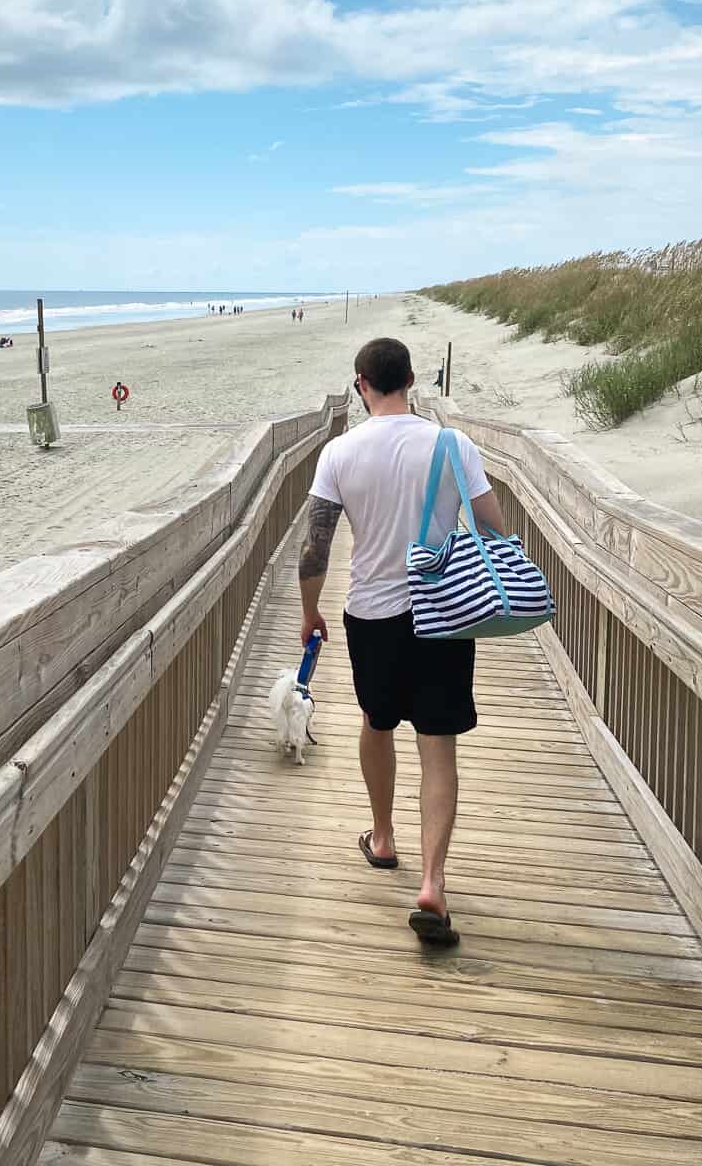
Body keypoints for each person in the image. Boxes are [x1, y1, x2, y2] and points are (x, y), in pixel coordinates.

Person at [297, 336, 506, 949]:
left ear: (361, 384)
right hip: (444, 612)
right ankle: (434, 883)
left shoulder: (339, 451)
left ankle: (383, 838)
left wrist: (310, 612)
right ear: (411, 379)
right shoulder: (451, 444)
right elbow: (494, 526)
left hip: (371, 612)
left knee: (376, 720)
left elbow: (315, 546)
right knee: (438, 746)